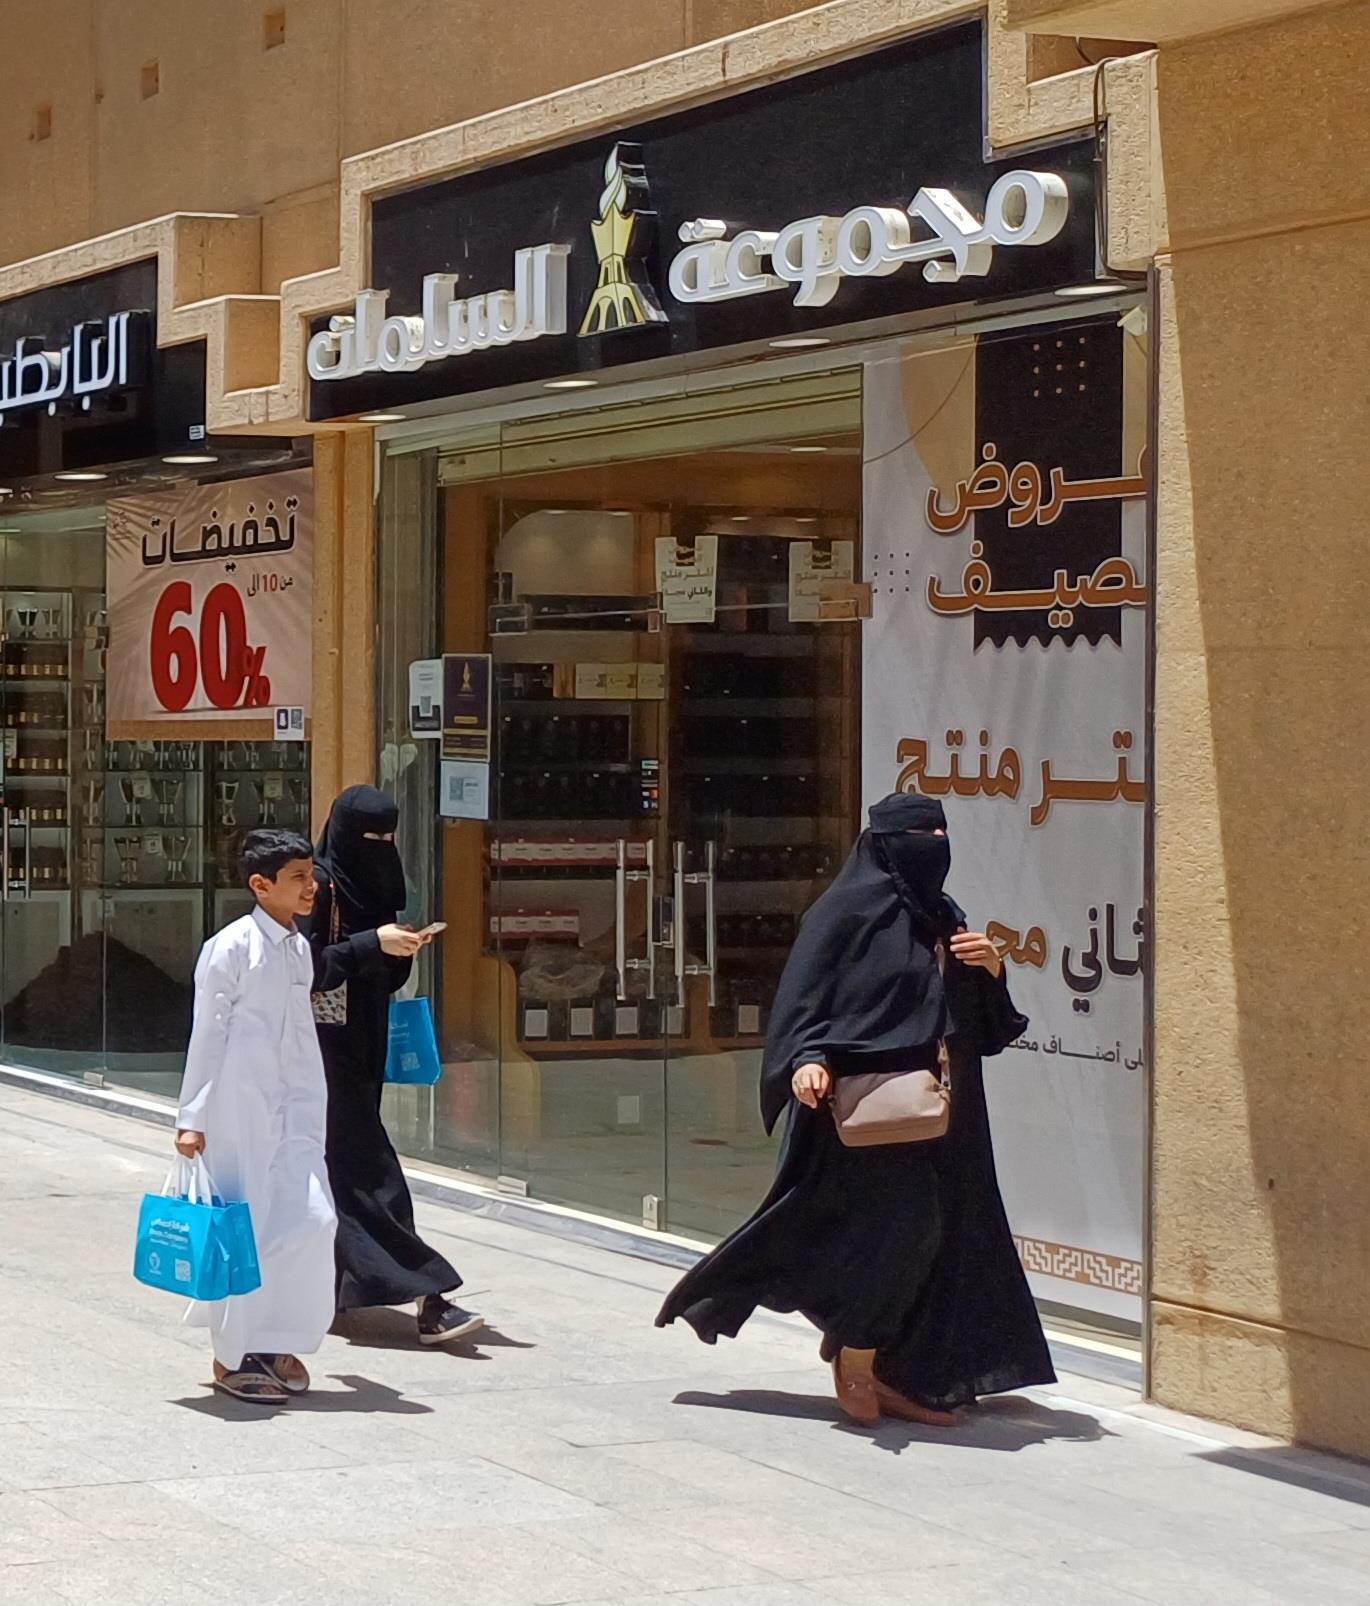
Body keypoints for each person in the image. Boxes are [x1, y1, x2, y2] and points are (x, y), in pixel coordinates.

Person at [656, 792, 1055, 1425]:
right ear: (882, 844)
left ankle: (912, 1373)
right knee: (902, 1230)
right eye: (920, 834)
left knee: (946, 1234)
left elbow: (978, 1027)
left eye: (942, 832)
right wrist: (808, 1058)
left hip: (943, 1112)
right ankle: (857, 1355)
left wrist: (990, 971)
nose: (935, 844)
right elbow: (805, 1002)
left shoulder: (942, 915)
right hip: (864, 1110)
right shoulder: (840, 915)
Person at [306, 784, 484, 1345]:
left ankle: (327, 1290)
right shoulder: (316, 885)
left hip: (364, 1047)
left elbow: (380, 976)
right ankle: (431, 1292)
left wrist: (396, 950)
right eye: (370, 836)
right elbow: (300, 969)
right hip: (320, 1051)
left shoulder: (377, 881)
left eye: (388, 836)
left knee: (340, 1173)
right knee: (370, 1173)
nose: (380, 846)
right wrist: (368, 946)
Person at [175, 828, 338, 1405]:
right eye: (297, 877)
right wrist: (192, 1116)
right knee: (246, 1228)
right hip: (238, 1110)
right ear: (260, 885)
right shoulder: (231, 947)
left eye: (310, 874)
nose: (310, 886)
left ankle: (275, 1338)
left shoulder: (297, 946)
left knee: (310, 1219)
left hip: (296, 1108)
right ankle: (231, 1356)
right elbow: (207, 1035)